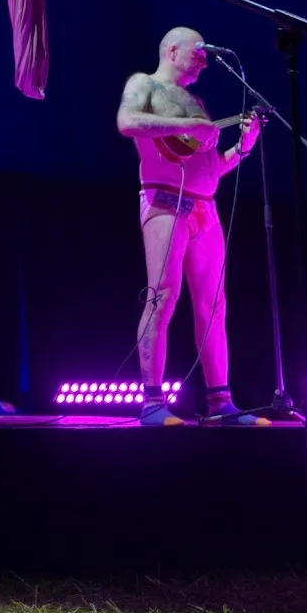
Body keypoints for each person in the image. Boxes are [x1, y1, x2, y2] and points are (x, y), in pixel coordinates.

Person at [116, 27, 265, 427]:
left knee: (214, 304)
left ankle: (221, 403)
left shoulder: (195, 101)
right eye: (197, 50)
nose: (203, 58)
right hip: (164, 199)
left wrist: (244, 146)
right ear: (172, 50)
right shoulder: (142, 83)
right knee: (163, 295)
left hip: (205, 207)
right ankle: (151, 402)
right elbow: (127, 122)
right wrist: (188, 129)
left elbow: (212, 169)